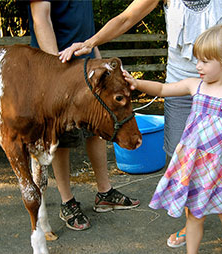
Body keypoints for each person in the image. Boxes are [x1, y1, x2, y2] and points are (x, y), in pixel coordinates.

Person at [58, 0, 222, 246]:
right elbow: (126, 18)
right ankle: (192, 223)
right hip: (182, 85)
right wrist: (89, 43)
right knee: (181, 158)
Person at [124, 24, 222, 254]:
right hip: (194, 165)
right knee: (193, 213)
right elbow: (163, 90)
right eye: (197, 59)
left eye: (205, 61)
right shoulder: (195, 86)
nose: (198, 65)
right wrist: (136, 82)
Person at [28, 0, 140, 232]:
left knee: (97, 128)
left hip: (87, 64)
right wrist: (55, 71)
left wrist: (100, 63)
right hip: (57, 66)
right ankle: (67, 201)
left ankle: (104, 192)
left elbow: (88, 31)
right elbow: (41, 19)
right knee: (62, 136)